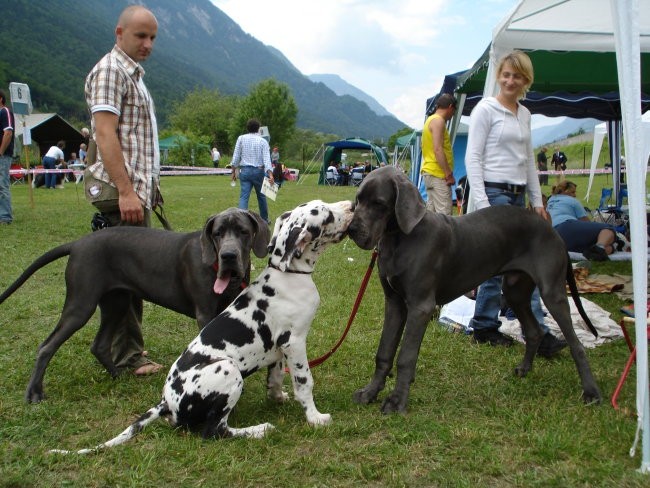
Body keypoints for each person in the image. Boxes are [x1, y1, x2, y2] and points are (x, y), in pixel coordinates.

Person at [465, 50, 566, 356]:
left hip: (518, 193)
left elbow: (529, 164)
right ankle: (483, 326)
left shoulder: (525, 114)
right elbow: (473, 158)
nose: (511, 80)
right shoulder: (486, 109)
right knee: (496, 264)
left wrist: (537, 201)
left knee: (527, 264)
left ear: (526, 80)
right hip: (494, 194)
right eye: (506, 74)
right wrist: (483, 203)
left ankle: (535, 329)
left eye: (517, 76)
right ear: (499, 76)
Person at [84, 5, 163, 376]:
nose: (147, 44)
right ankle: (127, 355)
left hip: (133, 191)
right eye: (140, 36)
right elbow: (105, 134)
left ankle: (127, 349)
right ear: (120, 33)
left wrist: (150, 190)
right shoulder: (110, 71)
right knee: (126, 276)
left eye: (152, 38)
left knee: (131, 275)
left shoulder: (133, 75)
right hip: (120, 193)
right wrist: (127, 191)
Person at [547, 180, 616, 261]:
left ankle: (602, 250)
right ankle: (600, 247)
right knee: (608, 229)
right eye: (572, 192)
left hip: (553, 236)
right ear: (563, 191)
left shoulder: (550, 201)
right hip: (567, 225)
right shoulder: (572, 201)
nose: (575, 195)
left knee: (607, 246)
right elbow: (586, 221)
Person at [230, 118, 274, 224]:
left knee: (244, 196)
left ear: (247, 128)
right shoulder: (263, 141)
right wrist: (270, 174)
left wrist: (233, 171)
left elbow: (236, 157)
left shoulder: (241, 138)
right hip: (258, 171)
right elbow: (267, 159)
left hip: (244, 171)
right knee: (261, 196)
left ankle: (241, 220)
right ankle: (264, 220)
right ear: (258, 129)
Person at [421, 93, 457, 214]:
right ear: (450, 107)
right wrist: (448, 174)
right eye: (454, 111)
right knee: (445, 218)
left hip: (428, 173)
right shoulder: (439, 121)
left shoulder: (429, 120)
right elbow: (438, 149)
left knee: (431, 217)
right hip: (438, 174)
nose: (452, 115)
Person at [0, 89, 15, 225]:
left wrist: (1, 151)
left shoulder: (4, 111)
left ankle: (5, 217)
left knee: (2, 185)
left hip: (3, 156)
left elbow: (8, 132)